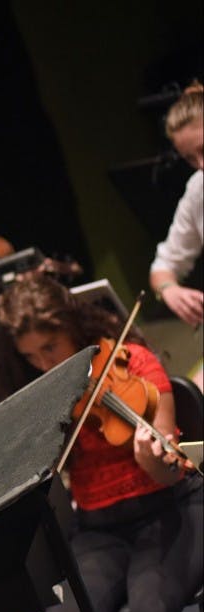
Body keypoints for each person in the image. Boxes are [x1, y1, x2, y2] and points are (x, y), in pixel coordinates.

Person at [0, 274, 203, 612]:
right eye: (31, 357)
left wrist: (151, 459)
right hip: (99, 527)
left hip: (169, 507)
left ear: (72, 326)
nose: (45, 364)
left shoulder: (133, 362)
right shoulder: (47, 396)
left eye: (50, 347)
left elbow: (171, 469)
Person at [149, 81, 203, 390]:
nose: (201, 166)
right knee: (190, 408)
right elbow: (162, 266)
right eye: (190, 159)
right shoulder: (198, 190)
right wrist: (170, 290)